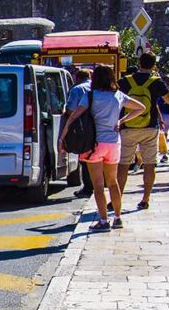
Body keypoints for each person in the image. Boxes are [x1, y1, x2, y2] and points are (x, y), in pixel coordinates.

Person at [60, 65, 146, 231]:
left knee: (98, 185)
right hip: (114, 144)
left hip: (95, 144)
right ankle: (118, 218)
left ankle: (104, 221)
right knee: (113, 182)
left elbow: (73, 117)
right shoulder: (118, 95)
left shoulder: (90, 96)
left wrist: (63, 137)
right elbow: (141, 108)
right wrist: (122, 121)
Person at [117, 52, 169, 210]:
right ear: (153, 65)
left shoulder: (125, 81)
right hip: (149, 127)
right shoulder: (156, 81)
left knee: (123, 165)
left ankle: (117, 199)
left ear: (139, 62)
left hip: (127, 126)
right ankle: (145, 199)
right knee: (149, 164)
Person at [63, 68, 94, 197]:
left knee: (85, 157)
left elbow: (70, 110)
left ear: (78, 78)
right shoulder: (98, 88)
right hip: (101, 126)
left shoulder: (77, 89)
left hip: (84, 128)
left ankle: (88, 188)